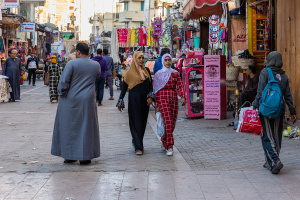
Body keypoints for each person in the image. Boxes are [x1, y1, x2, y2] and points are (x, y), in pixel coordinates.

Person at [51, 43, 101, 165]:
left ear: (78, 52)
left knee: (69, 127)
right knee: (87, 127)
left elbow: (63, 82)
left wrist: (61, 93)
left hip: (71, 99)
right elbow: (96, 78)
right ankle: (85, 156)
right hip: (88, 99)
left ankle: (69, 156)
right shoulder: (96, 65)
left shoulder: (72, 63)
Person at [253, 51, 296, 174]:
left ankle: (275, 161)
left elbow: (260, 91)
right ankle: (269, 162)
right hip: (279, 109)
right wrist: (292, 111)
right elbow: (288, 95)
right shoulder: (284, 76)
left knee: (267, 136)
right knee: (276, 137)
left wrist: (255, 105)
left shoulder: (265, 72)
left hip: (266, 109)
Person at [116, 51, 153, 155]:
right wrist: (120, 100)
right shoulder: (129, 72)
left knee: (143, 123)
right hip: (134, 100)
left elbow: (150, 85)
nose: (141, 60)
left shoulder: (146, 71)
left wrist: (151, 96)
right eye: (139, 58)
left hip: (145, 101)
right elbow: (124, 88)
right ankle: (139, 147)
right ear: (135, 59)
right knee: (135, 122)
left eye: (142, 57)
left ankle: (137, 142)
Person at [153, 54, 186, 156]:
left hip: (173, 98)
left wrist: (183, 96)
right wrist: (157, 104)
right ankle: (170, 146)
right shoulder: (158, 74)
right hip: (162, 98)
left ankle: (164, 140)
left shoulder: (175, 74)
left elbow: (180, 85)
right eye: (166, 60)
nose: (167, 62)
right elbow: (156, 90)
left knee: (172, 122)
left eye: (169, 60)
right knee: (167, 121)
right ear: (162, 61)